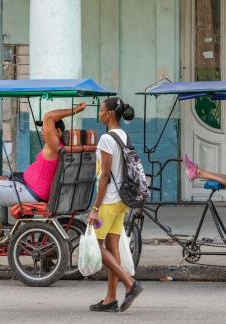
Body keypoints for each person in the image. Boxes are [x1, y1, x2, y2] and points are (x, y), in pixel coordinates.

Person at [0, 102, 88, 246]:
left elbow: (49, 116)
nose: (42, 132)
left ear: (57, 132)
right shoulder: (56, 146)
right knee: (0, 178)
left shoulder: (54, 146)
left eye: (46, 129)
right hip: (25, 184)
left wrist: (76, 110)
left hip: (30, 191)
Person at [87, 97, 144, 313]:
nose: (99, 113)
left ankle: (130, 284)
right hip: (123, 200)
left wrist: (95, 208)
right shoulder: (124, 135)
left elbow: (104, 176)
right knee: (112, 247)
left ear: (110, 113)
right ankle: (110, 298)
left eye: (102, 110)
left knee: (96, 244)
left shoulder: (106, 139)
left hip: (109, 200)